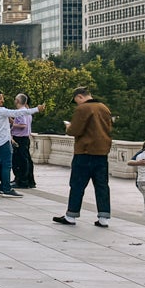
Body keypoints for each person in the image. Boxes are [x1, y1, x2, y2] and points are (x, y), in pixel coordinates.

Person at [54, 86, 113, 227]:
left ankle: (71, 216)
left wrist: (68, 127)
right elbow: (109, 128)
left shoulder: (83, 109)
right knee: (102, 185)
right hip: (102, 152)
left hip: (84, 152)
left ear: (80, 96)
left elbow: (75, 130)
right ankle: (104, 217)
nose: (77, 104)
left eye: (76, 100)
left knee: (77, 185)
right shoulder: (104, 108)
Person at [0, 90, 41, 198]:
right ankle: (7, 188)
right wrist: (36, 109)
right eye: (0, 98)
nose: (3, 100)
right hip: (3, 142)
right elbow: (19, 113)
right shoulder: (1, 111)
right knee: (6, 165)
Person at [10, 94, 36, 188]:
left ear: (17, 101)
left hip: (20, 138)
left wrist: (13, 124)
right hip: (25, 138)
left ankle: (21, 180)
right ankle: (28, 180)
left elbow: (23, 125)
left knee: (19, 160)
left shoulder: (20, 112)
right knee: (26, 159)